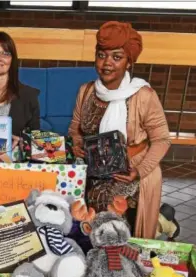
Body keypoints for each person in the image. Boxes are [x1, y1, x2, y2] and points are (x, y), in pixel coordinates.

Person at [68, 21, 170, 239]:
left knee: (119, 237)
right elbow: (75, 129)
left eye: (116, 57)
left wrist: (138, 172)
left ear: (128, 62)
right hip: (92, 172)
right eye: (101, 55)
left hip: (130, 175)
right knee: (88, 233)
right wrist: (77, 144)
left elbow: (162, 139)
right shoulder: (86, 91)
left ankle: (161, 225)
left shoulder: (143, 95)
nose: (107, 63)